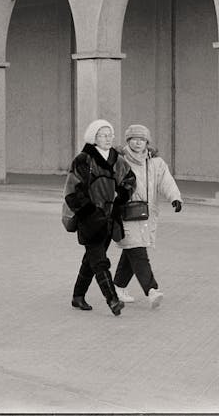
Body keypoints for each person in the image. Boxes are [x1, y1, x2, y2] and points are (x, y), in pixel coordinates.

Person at [64, 119, 135, 316]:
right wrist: (89, 212)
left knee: (91, 259)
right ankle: (112, 300)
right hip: (89, 218)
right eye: (103, 135)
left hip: (110, 219)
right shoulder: (83, 160)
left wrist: (122, 195)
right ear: (93, 137)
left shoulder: (118, 160)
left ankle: (77, 296)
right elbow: (72, 190)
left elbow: (130, 180)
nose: (107, 138)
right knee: (99, 260)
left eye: (110, 135)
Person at [113, 124, 182, 309]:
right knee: (137, 252)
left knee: (133, 249)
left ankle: (118, 287)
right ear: (128, 141)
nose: (138, 142)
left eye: (142, 139)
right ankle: (152, 290)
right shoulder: (119, 160)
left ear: (147, 142)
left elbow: (166, 180)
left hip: (147, 214)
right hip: (126, 213)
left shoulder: (155, 162)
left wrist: (175, 197)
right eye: (134, 139)